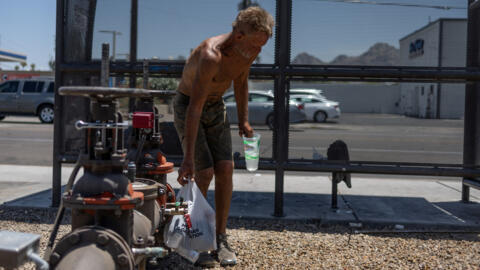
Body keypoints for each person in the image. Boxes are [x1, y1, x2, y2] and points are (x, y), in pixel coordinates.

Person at [173, 6, 274, 267]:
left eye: (263, 46)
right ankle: (194, 238)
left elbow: (240, 82)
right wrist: (187, 159)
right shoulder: (210, 55)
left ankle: (220, 238)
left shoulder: (247, 51)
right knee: (204, 172)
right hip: (189, 106)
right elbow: (195, 108)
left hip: (216, 105)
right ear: (239, 36)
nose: (258, 52)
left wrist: (243, 119)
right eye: (256, 45)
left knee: (226, 168)